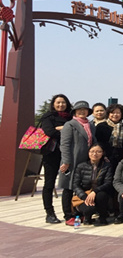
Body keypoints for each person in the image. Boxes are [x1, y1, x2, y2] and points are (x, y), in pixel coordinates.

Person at [59, 100, 96, 225]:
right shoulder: (70, 125)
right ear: (74, 112)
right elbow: (64, 145)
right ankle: (68, 215)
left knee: (82, 187)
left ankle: (79, 213)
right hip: (72, 162)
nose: (82, 112)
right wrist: (66, 161)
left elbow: (94, 142)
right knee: (68, 188)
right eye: (79, 110)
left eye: (84, 110)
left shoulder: (91, 126)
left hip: (85, 162)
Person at [40, 94, 72, 224]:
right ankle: (49, 213)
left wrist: (60, 129)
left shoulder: (71, 117)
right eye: (58, 102)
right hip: (51, 154)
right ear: (53, 104)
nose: (60, 105)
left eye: (63, 102)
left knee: (69, 183)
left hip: (68, 154)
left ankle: (70, 212)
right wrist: (66, 130)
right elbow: (49, 132)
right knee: (49, 184)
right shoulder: (48, 116)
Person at [72, 143, 113, 226]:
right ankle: (87, 218)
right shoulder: (81, 166)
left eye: (98, 152)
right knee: (89, 209)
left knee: (102, 195)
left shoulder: (107, 166)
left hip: (99, 194)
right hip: (84, 194)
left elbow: (108, 183)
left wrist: (95, 192)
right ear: (88, 152)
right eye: (92, 151)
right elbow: (75, 184)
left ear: (103, 153)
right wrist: (84, 197)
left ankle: (103, 217)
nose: (95, 154)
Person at [96, 103, 123, 171]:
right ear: (108, 114)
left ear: (122, 114)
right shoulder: (101, 126)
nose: (115, 115)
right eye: (112, 113)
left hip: (122, 159)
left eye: (118, 113)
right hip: (105, 158)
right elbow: (98, 143)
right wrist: (103, 155)